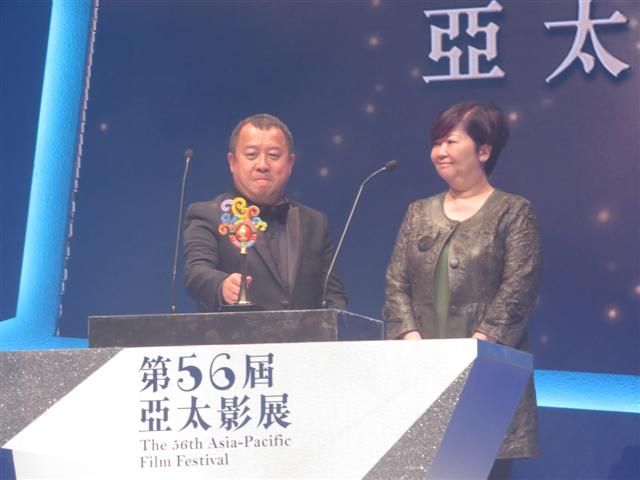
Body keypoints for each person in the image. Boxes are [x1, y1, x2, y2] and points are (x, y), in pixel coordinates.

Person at [383, 102, 542, 475]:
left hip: (488, 375)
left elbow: (519, 287)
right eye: (436, 143)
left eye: (451, 142)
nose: (440, 152)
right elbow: (395, 283)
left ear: (483, 151)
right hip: (422, 374)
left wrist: (478, 348)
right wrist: (411, 340)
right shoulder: (418, 212)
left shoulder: (513, 211)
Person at [183, 113, 347, 311]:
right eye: (251, 155)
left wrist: (338, 324)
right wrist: (222, 285)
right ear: (232, 162)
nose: (262, 165)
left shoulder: (314, 222)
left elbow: (333, 296)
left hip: (307, 332)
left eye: (274, 156)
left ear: (290, 163)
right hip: (236, 331)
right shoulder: (208, 215)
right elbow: (195, 272)